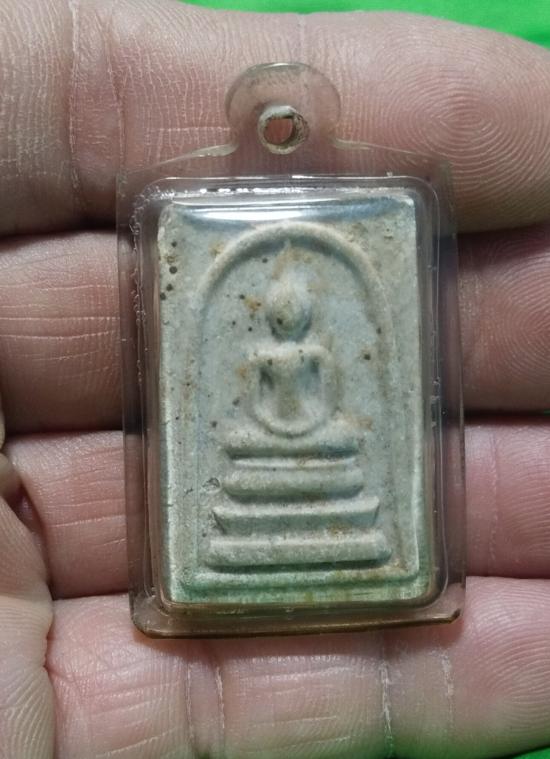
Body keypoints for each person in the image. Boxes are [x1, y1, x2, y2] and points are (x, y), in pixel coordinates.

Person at [0, 1, 549, 756]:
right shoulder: (256, 344)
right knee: (244, 460)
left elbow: (333, 408)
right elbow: (250, 410)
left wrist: (323, 427)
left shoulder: (322, 340)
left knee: (345, 446)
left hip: (320, 446)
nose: (288, 325)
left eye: (295, 314)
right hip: (263, 448)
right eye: (280, 315)